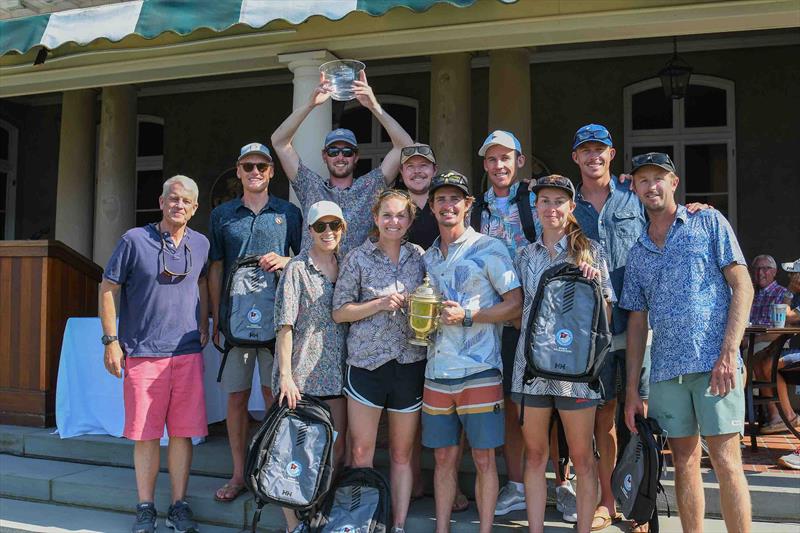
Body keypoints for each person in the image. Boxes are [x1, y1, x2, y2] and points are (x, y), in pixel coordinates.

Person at [621, 152, 753, 533]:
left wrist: (730, 352)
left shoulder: (707, 221)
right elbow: (636, 322)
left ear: (674, 182)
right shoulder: (638, 251)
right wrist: (633, 389)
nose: (652, 186)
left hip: (716, 365)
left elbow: (742, 285)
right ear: (635, 187)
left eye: (659, 177)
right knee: (683, 462)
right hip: (665, 370)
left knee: (727, 462)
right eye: (643, 180)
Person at [100, 175, 210, 533]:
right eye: (173, 199)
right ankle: (145, 507)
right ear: (161, 202)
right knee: (146, 435)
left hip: (188, 352)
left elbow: (204, 282)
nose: (179, 205)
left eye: (187, 202)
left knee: (183, 434)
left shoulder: (201, 243)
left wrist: (206, 320)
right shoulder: (134, 240)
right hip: (144, 353)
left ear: (194, 210)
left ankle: (179, 506)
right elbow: (108, 287)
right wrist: (110, 340)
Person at [421, 171, 523, 533]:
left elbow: (516, 304)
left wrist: (468, 315)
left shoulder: (489, 248)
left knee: (483, 459)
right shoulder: (427, 256)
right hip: (436, 371)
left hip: (480, 370)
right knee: (444, 457)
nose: (448, 205)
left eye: (455, 199)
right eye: (441, 199)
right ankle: (442, 528)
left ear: (468, 205)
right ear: (431, 207)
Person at [511, 174, 614, 533]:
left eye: (559, 201)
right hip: (532, 370)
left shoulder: (591, 251)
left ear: (571, 207)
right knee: (536, 455)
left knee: (583, 459)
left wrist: (593, 285)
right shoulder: (524, 254)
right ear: (536, 207)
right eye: (544, 201)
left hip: (579, 375)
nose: (551, 208)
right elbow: (515, 309)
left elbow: (608, 317)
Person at [567, 123, 650, 531]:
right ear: (576, 158)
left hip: (635, 322)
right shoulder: (566, 206)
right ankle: (608, 498)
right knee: (603, 417)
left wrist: (698, 208)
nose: (593, 156)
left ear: (611, 154)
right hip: (590, 330)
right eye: (586, 150)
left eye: (600, 150)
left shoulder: (634, 197)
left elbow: (669, 217)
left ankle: (641, 501)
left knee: (638, 414)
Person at [208, 143, 302, 503]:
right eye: (248, 166)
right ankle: (238, 473)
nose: (255, 172)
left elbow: (307, 259)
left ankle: (268, 470)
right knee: (236, 399)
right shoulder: (223, 215)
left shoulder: (289, 213)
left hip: (276, 324)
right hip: (235, 325)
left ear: (272, 171)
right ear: (238, 171)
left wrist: (286, 261)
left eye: (262, 166)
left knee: (272, 397)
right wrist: (216, 314)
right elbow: (215, 265)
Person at [332, 190, 427, 533]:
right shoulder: (357, 258)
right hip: (367, 365)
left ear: (410, 221)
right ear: (375, 218)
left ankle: (397, 525)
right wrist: (379, 303)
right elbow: (340, 311)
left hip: (409, 363)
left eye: (401, 215)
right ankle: (361, 523)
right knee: (361, 452)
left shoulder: (420, 256)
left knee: (402, 454)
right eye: (387, 215)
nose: (394, 221)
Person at [474, 130, 552, 520]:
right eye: (491, 159)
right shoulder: (477, 208)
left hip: (542, 319)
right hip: (501, 323)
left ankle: (561, 479)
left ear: (519, 161)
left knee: (551, 400)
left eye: (506, 158)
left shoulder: (536, 199)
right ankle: (518, 484)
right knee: (510, 402)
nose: (498, 165)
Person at [271, 70, 413, 257]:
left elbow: (406, 147)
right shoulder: (310, 186)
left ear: (355, 157)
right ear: (325, 156)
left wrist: (373, 106)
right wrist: (310, 105)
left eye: (347, 152)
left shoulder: (370, 186)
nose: (340, 157)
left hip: (359, 282)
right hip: (315, 281)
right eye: (333, 151)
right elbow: (279, 142)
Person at [273, 200, 349, 532]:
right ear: (310, 231)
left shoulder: (347, 264)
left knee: (335, 447)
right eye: (321, 226)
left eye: (334, 225)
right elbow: (284, 327)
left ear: (343, 229)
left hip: (337, 374)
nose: (328, 232)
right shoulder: (297, 269)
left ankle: (317, 513)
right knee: (295, 453)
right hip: (301, 377)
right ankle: (294, 525)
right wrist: (287, 376)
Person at [753, 257, 800, 435]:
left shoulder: (792, 294)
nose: (791, 278)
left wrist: (790, 291)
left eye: (795, 275)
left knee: (768, 364)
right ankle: (779, 416)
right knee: (758, 359)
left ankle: (787, 416)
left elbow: (786, 317)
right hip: (787, 345)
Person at [400, 143, 439, 249]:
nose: (417, 171)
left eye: (423, 165)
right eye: (410, 166)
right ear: (402, 172)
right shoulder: (393, 208)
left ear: (435, 170)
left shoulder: (446, 205)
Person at [749, 254, 791, 326]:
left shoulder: (783, 293)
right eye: (756, 268)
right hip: (747, 336)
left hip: (770, 336)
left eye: (765, 268)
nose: (760, 273)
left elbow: (786, 325)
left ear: (774, 272)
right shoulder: (750, 294)